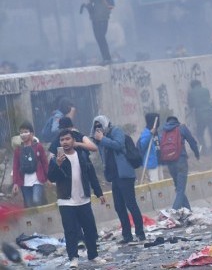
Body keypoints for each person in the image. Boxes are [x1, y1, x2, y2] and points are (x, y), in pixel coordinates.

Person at [48, 129, 106, 269]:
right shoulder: (56, 159)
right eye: (62, 140)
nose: (65, 142)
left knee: (90, 229)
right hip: (66, 201)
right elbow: (51, 177)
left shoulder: (82, 155)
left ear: (73, 141)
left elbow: (91, 175)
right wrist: (58, 164)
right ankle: (73, 258)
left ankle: (93, 255)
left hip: (83, 199)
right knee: (70, 231)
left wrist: (99, 193)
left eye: (67, 139)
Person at [91, 115, 146, 244]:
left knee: (131, 204)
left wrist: (102, 139)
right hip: (114, 176)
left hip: (125, 174)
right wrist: (97, 139)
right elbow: (100, 151)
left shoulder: (116, 131)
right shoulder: (101, 138)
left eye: (100, 126)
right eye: (96, 127)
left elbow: (118, 145)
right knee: (119, 206)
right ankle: (127, 235)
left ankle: (140, 233)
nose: (98, 129)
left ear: (106, 124)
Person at [161, 116, 200, 211]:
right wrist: (196, 153)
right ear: (176, 121)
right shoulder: (181, 128)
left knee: (178, 188)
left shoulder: (163, 131)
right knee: (180, 189)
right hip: (181, 160)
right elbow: (192, 141)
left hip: (170, 162)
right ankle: (174, 211)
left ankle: (188, 210)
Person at [12, 121, 48, 208]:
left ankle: (42, 218)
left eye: (25, 132)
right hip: (24, 181)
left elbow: (44, 162)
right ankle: (34, 222)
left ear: (31, 133)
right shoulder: (18, 150)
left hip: (37, 179)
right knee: (29, 205)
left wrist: (49, 177)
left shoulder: (38, 146)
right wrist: (15, 183)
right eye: (21, 132)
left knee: (36, 200)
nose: (23, 134)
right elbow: (15, 167)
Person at [187, 80, 212, 156]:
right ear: (199, 84)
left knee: (200, 133)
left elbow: (191, 105)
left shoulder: (191, 93)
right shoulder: (206, 90)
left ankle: (204, 150)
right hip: (211, 113)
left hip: (201, 115)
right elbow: (208, 100)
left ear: (192, 86)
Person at [81, 0, 114, 64]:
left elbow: (110, 4)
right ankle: (106, 58)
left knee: (100, 37)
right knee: (99, 38)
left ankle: (107, 58)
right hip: (95, 17)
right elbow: (90, 2)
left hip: (101, 17)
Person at [138, 113, 162, 182]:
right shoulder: (146, 132)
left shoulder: (157, 132)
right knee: (155, 182)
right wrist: (150, 134)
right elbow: (142, 145)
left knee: (162, 181)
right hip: (151, 162)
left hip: (159, 161)